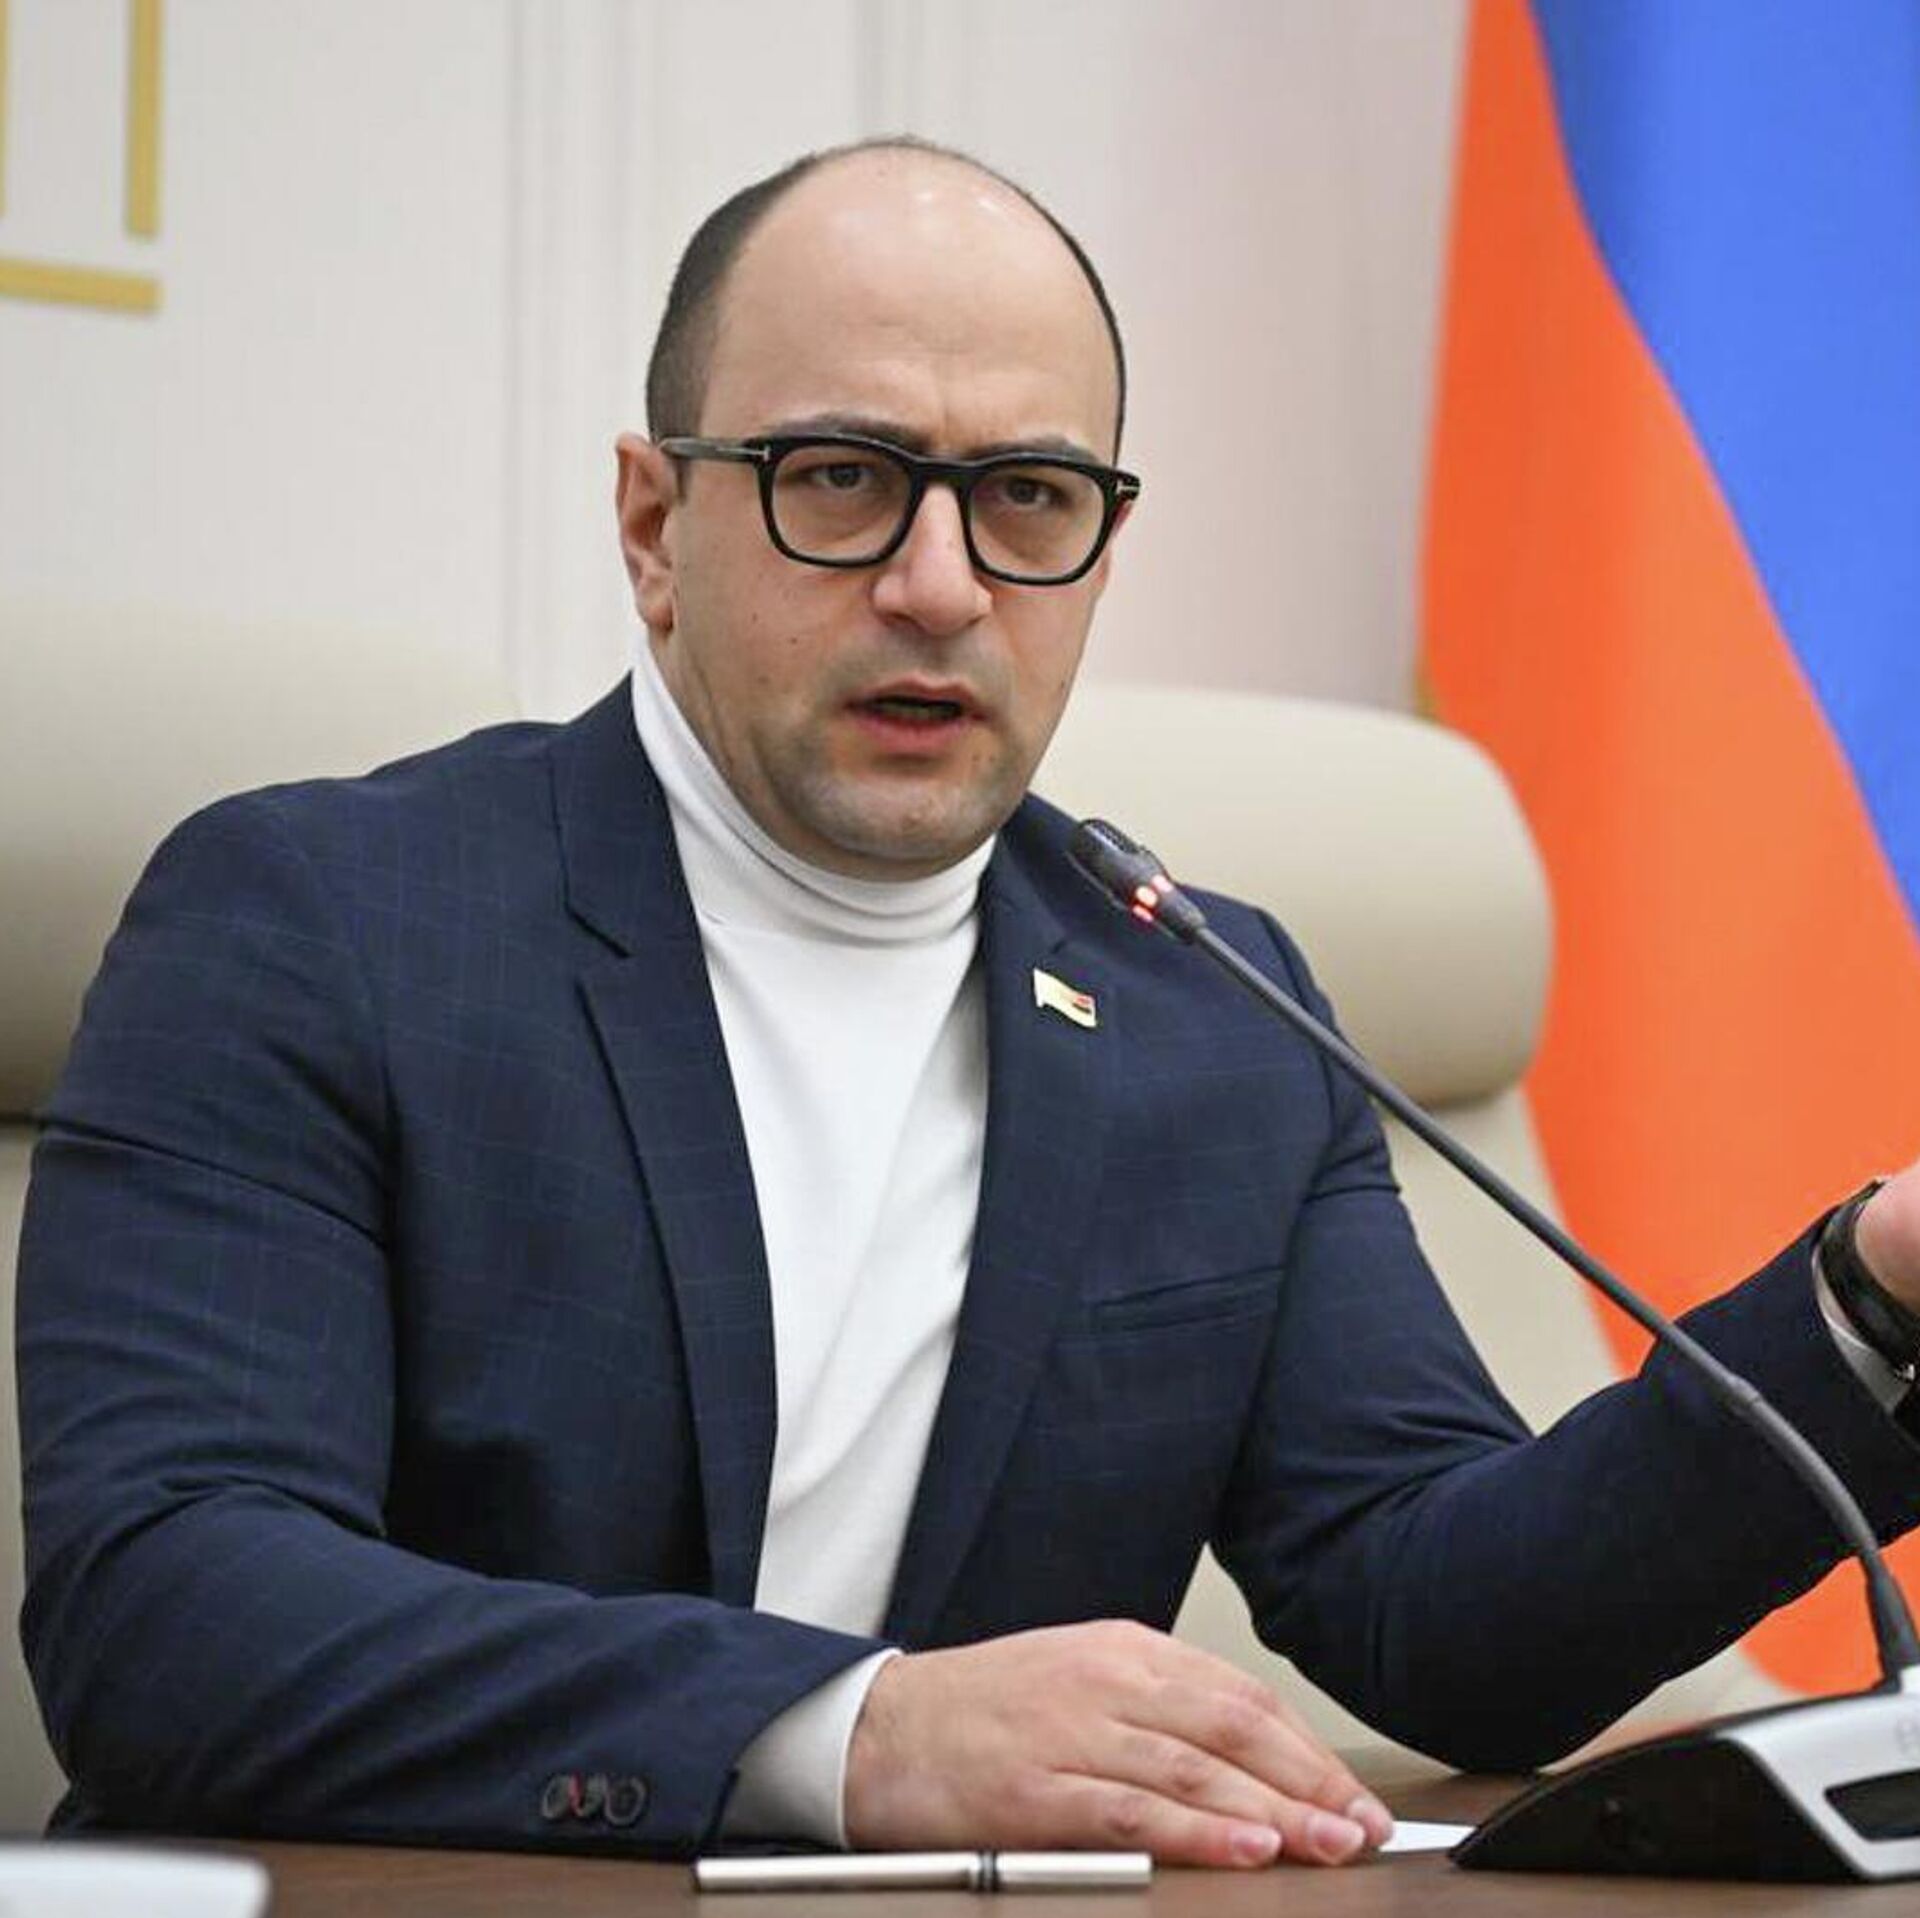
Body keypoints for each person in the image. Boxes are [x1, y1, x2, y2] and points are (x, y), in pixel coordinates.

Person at [17, 138, 1920, 1872]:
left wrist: (1876, 1298)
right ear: (655, 526)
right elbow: (169, 1613)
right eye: (842, 479)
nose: (941, 586)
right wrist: (852, 1731)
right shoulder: (321, 923)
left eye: (1027, 497)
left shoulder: (1212, 1007)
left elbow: (1456, 1624)